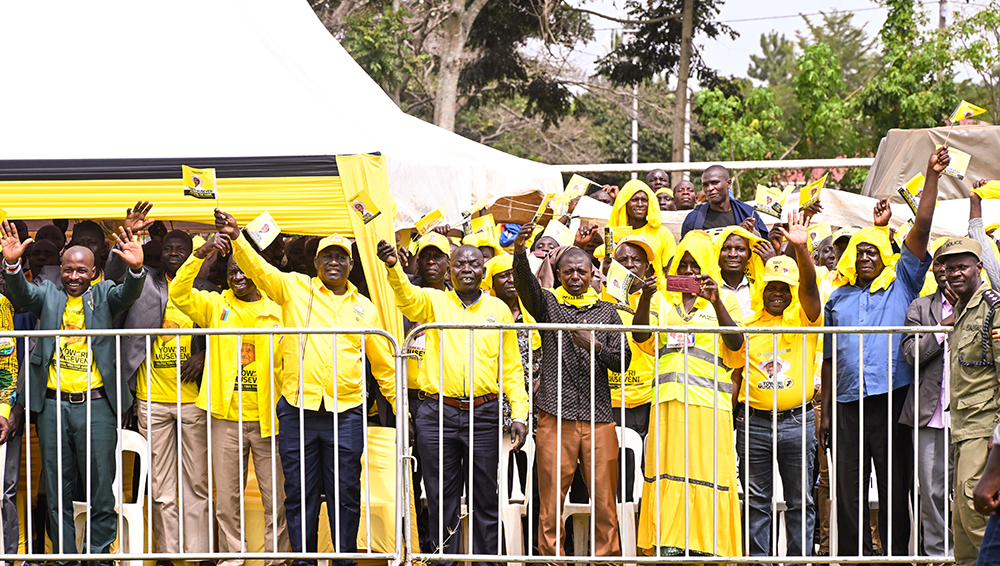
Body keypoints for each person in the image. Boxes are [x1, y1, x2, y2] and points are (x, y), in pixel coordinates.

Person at [216, 209, 397, 566]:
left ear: (350, 265)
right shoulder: (294, 289)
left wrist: (400, 405)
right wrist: (237, 237)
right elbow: (260, 270)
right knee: (300, 493)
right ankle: (303, 560)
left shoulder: (365, 308)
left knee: (345, 491)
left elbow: (384, 365)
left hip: (346, 413)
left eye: (341, 257)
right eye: (327, 255)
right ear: (316, 262)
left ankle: (343, 559)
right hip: (298, 411)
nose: (334, 262)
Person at [819, 146, 949, 559]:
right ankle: (856, 557)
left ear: (888, 258)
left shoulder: (903, 284)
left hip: (892, 400)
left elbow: (922, 229)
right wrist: (824, 412)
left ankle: (895, 555)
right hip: (844, 405)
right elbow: (827, 358)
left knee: (895, 488)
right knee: (848, 492)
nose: (865, 256)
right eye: (859, 251)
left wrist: (931, 175)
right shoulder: (837, 299)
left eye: (873, 251)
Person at [376, 239, 528, 566]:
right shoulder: (432, 301)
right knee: (441, 497)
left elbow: (512, 368)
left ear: (483, 271)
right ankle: (444, 561)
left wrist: (519, 413)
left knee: (485, 497)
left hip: (484, 413)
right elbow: (406, 298)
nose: (467, 269)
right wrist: (393, 267)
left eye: (474, 264)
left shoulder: (498, 310)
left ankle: (486, 562)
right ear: (449, 269)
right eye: (460, 264)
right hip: (437, 413)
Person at [0, 220, 146, 558]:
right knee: (56, 491)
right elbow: (21, 292)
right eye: (68, 270)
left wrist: (136, 270)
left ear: (94, 272)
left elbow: (128, 294)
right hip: (53, 406)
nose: (74, 276)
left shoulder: (104, 294)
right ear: (60, 270)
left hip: (97, 406)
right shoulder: (47, 295)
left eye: (82, 270)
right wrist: (11, 264)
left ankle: (96, 556)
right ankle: (64, 556)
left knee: (100, 491)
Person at [511, 223, 630, 561]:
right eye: (569, 271)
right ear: (558, 274)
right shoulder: (548, 304)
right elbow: (526, 288)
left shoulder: (607, 311)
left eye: (582, 270)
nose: (576, 276)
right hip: (555, 414)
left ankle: (607, 559)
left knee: (605, 499)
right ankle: (551, 559)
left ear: (593, 273)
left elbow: (623, 359)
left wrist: (595, 346)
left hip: (599, 417)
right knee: (549, 500)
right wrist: (520, 253)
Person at [170, 235, 289, 566]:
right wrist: (199, 254)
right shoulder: (216, 305)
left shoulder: (279, 308)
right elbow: (177, 293)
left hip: (270, 417)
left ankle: (276, 559)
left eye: (244, 271)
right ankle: (233, 558)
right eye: (232, 272)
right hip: (226, 417)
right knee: (228, 500)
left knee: (275, 497)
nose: (237, 277)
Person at [107, 204, 214, 563]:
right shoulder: (145, 281)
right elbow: (113, 279)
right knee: (162, 486)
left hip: (194, 402)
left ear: (191, 254)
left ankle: (196, 555)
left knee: (196, 483)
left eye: (180, 249)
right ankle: (171, 554)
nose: (173, 253)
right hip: (151, 401)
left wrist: (207, 355)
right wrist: (129, 236)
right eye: (168, 247)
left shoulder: (205, 288)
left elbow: (226, 334)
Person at [637, 229, 744, 557]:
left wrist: (716, 302)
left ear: (707, 266)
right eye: (682, 264)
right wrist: (644, 298)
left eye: (694, 265)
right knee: (670, 472)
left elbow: (737, 345)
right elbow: (643, 341)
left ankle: (707, 546)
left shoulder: (725, 301)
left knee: (706, 473)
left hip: (709, 405)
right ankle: (670, 542)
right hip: (669, 403)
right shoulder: (661, 301)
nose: (688, 272)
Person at [734, 211, 822, 560]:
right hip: (754, 423)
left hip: (797, 422)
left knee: (801, 500)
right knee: (756, 501)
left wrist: (801, 250)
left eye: (784, 288)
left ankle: (800, 559)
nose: (776, 294)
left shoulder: (805, 318)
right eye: (770, 286)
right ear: (761, 289)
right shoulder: (748, 324)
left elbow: (811, 288)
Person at [931, 236, 998, 565]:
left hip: (984, 429)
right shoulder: (960, 308)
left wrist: (996, 435)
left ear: (979, 268)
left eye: (962, 267)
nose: (954, 273)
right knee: (962, 528)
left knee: (977, 518)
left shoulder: (992, 309)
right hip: (963, 428)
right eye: (949, 267)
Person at [900, 244, 956, 564]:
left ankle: (970, 552)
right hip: (929, 414)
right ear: (933, 270)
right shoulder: (920, 308)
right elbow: (911, 355)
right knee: (932, 493)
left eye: (953, 265)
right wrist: (941, 329)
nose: (946, 271)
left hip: (972, 414)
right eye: (940, 264)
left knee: (967, 489)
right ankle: (939, 554)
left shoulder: (984, 306)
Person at [603, 235, 660, 439]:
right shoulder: (600, 296)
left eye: (636, 260)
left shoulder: (662, 301)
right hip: (607, 398)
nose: (630, 265)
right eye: (623, 260)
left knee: (645, 466)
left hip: (647, 397)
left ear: (647, 267)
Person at [681, 165, 769, 239]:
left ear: (728, 183)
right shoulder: (694, 218)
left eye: (715, 182)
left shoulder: (748, 213)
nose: (710, 188)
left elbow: (763, 246)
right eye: (705, 185)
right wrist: (736, 232)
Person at [608, 179, 676, 271]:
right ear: (625, 203)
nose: (640, 204)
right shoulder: (613, 234)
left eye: (644, 200)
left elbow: (671, 272)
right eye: (635, 200)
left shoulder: (663, 233)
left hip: (656, 285)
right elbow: (607, 267)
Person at [714, 225, 771, 320]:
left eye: (740, 249)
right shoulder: (710, 286)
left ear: (749, 254)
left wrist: (771, 263)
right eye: (726, 248)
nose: (732, 254)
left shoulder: (760, 285)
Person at [0, 292, 17, 555]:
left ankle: (8, 558)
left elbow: (7, 364)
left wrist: (4, 409)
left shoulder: (1, 304)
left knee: (4, 490)